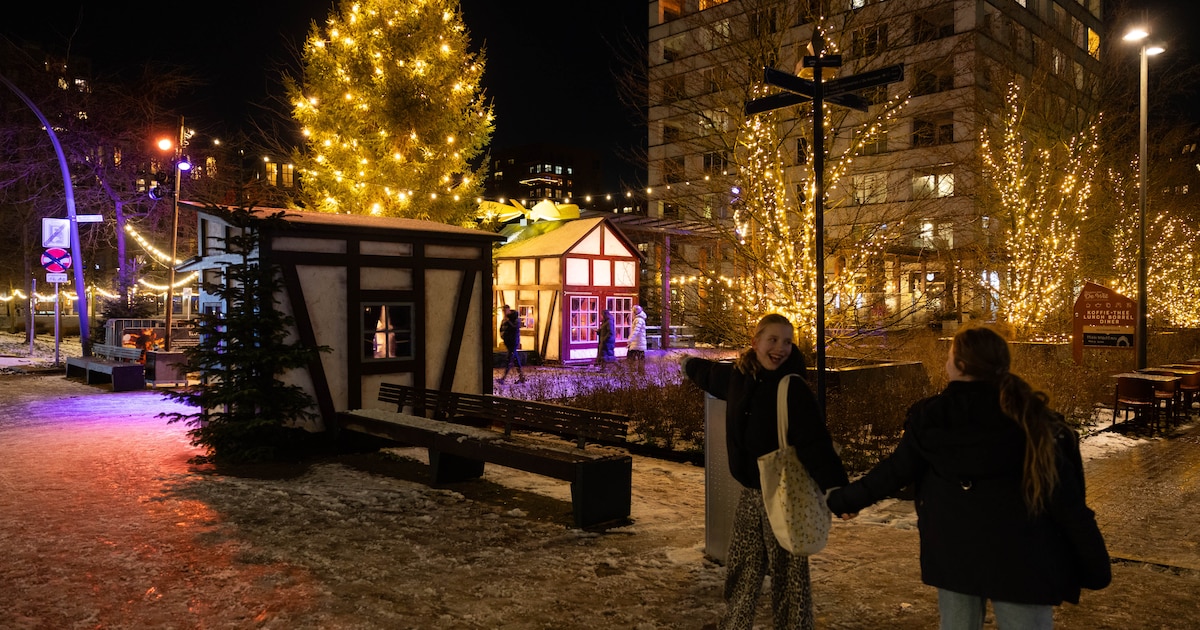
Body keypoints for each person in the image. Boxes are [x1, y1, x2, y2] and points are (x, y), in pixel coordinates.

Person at [827, 326, 1111, 630]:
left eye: (950, 355)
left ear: (960, 365)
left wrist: (845, 499)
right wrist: (1093, 563)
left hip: (955, 553)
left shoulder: (933, 418)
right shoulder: (1033, 419)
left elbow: (895, 471)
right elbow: (1066, 500)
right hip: (1024, 559)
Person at [682, 313, 848, 630]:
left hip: (785, 495)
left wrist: (836, 488)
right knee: (744, 567)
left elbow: (816, 443)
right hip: (751, 494)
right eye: (772, 340)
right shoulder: (739, 376)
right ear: (755, 342)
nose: (780, 348)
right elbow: (711, 375)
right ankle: (735, 623)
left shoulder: (792, 388)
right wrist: (688, 364)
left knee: (789, 576)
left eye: (787, 341)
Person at [498, 305, 525, 384]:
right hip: (508, 342)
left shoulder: (515, 318)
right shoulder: (504, 319)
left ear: (508, 310)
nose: (504, 312)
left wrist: (508, 322)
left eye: (505, 311)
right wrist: (503, 336)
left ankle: (503, 378)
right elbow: (501, 329)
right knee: (515, 360)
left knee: (509, 360)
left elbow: (515, 327)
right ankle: (521, 377)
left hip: (513, 342)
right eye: (503, 311)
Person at [627, 305, 647, 375]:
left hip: (637, 343)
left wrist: (630, 340)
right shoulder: (640, 319)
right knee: (641, 358)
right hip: (639, 342)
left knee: (631, 357)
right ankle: (640, 372)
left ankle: (634, 371)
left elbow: (635, 331)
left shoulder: (638, 320)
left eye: (632, 311)